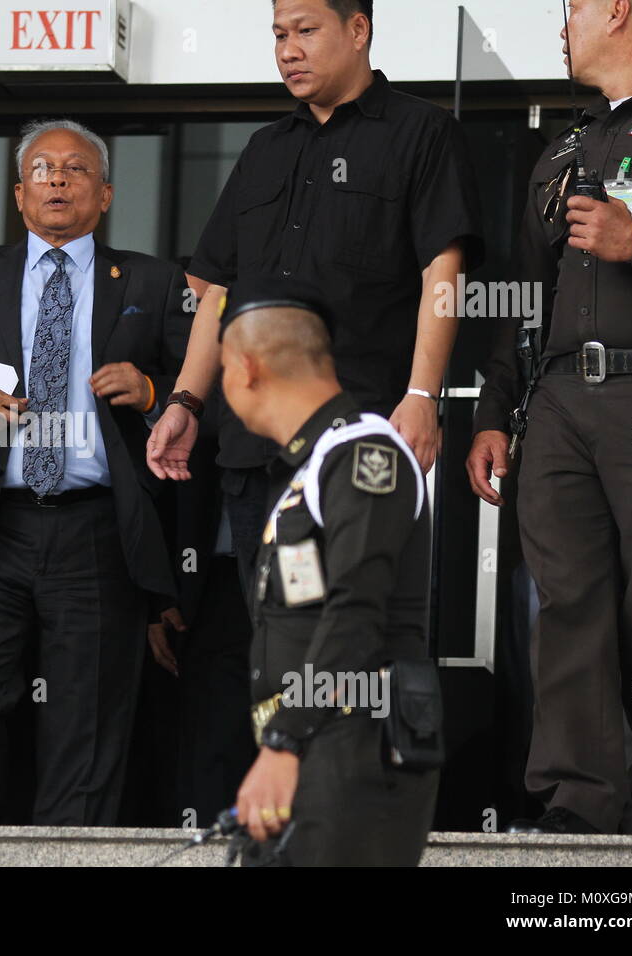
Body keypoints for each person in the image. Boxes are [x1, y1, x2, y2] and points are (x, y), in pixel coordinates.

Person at [0, 119, 191, 825]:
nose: (58, 179)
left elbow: (203, 394)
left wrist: (149, 392)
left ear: (106, 193)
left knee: (87, 717)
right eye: (43, 170)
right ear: (20, 194)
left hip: (95, 528)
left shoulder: (152, 278)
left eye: (77, 169)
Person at [147, 0, 482, 601]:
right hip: (254, 451)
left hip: (358, 438)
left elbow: (444, 269)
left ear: (359, 30)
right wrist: (187, 402)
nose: (288, 50)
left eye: (305, 31)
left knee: (355, 641)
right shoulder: (263, 149)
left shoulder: (422, 132)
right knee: (274, 647)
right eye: (278, 34)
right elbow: (219, 288)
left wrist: (423, 395)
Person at [467, 0, 632, 835]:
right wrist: (493, 409)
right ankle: (580, 803)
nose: (559, 28)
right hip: (557, 402)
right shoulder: (562, 148)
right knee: (565, 604)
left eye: (570, 10)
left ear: (620, 10)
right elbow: (525, 296)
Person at [220, 274, 438, 866]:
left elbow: (356, 609)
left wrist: (285, 742)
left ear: (246, 368)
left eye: (221, 372)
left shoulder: (367, 451)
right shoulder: (315, 465)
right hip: (316, 746)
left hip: (357, 744)